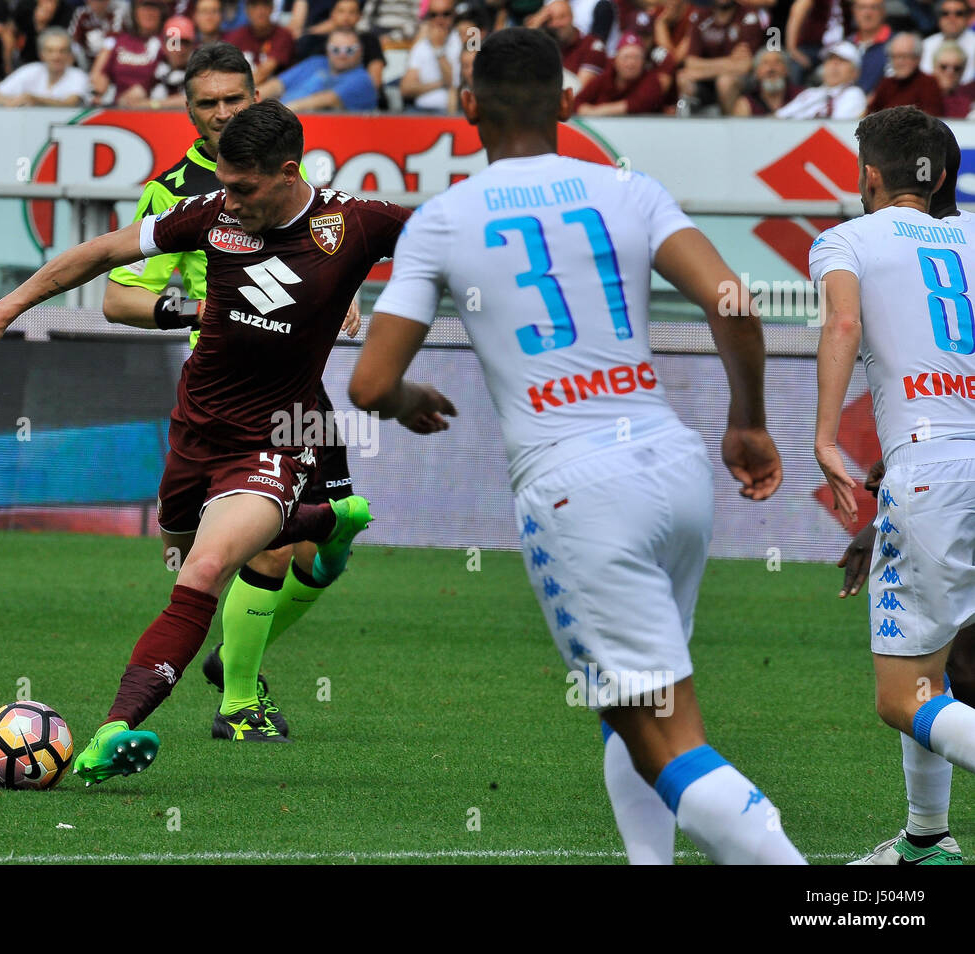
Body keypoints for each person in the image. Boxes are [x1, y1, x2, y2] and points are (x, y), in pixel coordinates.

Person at [349, 27, 804, 865]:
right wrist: (747, 420)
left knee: (666, 734)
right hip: (673, 463)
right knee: (636, 703)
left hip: (575, 488)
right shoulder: (626, 189)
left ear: (468, 105)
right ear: (568, 102)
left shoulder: (444, 219)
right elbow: (734, 300)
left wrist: (412, 399)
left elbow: (370, 386)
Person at [0, 100, 408, 776]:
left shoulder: (356, 224)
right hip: (194, 434)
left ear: (288, 172)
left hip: (275, 438)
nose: (230, 201)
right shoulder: (213, 214)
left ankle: (113, 730)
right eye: (224, 184)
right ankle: (322, 520)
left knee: (205, 572)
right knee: (181, 547)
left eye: (244, 189)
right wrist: (2, 310)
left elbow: (457, 247)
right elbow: (102, 253)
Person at [102, 41, 363, 735]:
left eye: (232, 99)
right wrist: (201, 311)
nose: (220, 114)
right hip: (225, 401)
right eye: (205, 103)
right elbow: (118, 300)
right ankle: (241, 702)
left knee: (320, 555)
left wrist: (345, 293)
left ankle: (235, 659)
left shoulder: (287, 174)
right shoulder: (174, 193)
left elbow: (332, 249)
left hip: (301, 392)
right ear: (186, 111)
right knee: (263, 547)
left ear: (256, 97)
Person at [814, 110, 975, 866]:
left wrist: (824, 438)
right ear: (940, 176)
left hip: (933, 470)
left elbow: (843, 325)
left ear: (869, 179)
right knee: (935, 665)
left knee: (902, 695)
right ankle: (925, 840)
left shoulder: (847, 239)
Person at [259, 25, 375, 109]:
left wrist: (278, 114)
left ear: (360, 51)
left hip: (319, 130)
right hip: (287, 121)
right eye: (335, 49)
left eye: (349, 50)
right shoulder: (315, 62)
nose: (342, 55)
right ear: (327, 50)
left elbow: (328, 100)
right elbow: (277, 84)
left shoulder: (363, 79)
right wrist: (249, 99)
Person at [0, 25, 88, 104]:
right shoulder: (31, 70)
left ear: (70, 55)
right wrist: (15, 101)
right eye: (50, 51)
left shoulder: (78, 75)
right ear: (41, 54)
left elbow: (70, 104)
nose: (56, 57)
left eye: (62, 51)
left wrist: (35, 100)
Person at [91, 0, 165, 104]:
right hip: (117, 105)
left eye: (154, 9)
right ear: (135, 13)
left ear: (162, 13)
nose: (149, 13)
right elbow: (101, 73)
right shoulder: (121, 40)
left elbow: (173, 72)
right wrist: (99, 93)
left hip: (151, 106)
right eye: (144, 8)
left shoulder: (166, 42)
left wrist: (145, 89)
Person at [573, 33, 666, 115]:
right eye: (626, 57)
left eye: (636, 58)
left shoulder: (652, 81)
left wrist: (597, 112)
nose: (631, 63)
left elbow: (639, 104)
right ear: (615, 60)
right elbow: (578, 101)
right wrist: (584, 109)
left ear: (644, 62)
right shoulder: (607, 76)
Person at [774, 40, 866, 118]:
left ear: (855, 73)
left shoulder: (854, 94)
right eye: (830, 59)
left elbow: (837, 129)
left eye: (842, 60)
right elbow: (778, 118)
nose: (834, 64)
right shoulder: (809, 93)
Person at [399, 0, 460, 112]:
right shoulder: (422, 45)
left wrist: (438, 50)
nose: (439, 20)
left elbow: (454, 82)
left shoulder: (461, 41)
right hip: (419, 110)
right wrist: (440, 83)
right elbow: (406, 89)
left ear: (454, 14)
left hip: (448, 111)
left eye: (445, 14)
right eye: (433, 15)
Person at [867, 32, 943, 115]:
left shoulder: (929, 84)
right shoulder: (885, 84)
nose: (900, 62)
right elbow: (871, 114)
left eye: (905, 56)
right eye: (895, 56)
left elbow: (932, 119)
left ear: (918, 58)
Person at [224, 0, 294, 84]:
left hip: (276, 93)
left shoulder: (283, 35)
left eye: (265, 5)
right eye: (254, 5)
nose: (260, 11)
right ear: (246, 10)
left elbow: (262, 74)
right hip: (242, 88)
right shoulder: (236, 36)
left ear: (272, 8)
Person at [731, 47, 802, 115]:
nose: (771, 68)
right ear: (756, 72)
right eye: (765, 63)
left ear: (786, 70)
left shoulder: (801, 97)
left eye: (777, 62)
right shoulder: (746, 104)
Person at [922, 0, 975, 85]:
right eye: (945, 13)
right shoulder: (926, 44)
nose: (951, 18)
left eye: (958, 13)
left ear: (968, 17)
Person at [932, 42, 972, 117]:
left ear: (963, 71)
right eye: (944, 67)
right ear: (934, 68)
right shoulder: (920, 97)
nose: (950, 72)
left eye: (956, 68)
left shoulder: (967, 104)